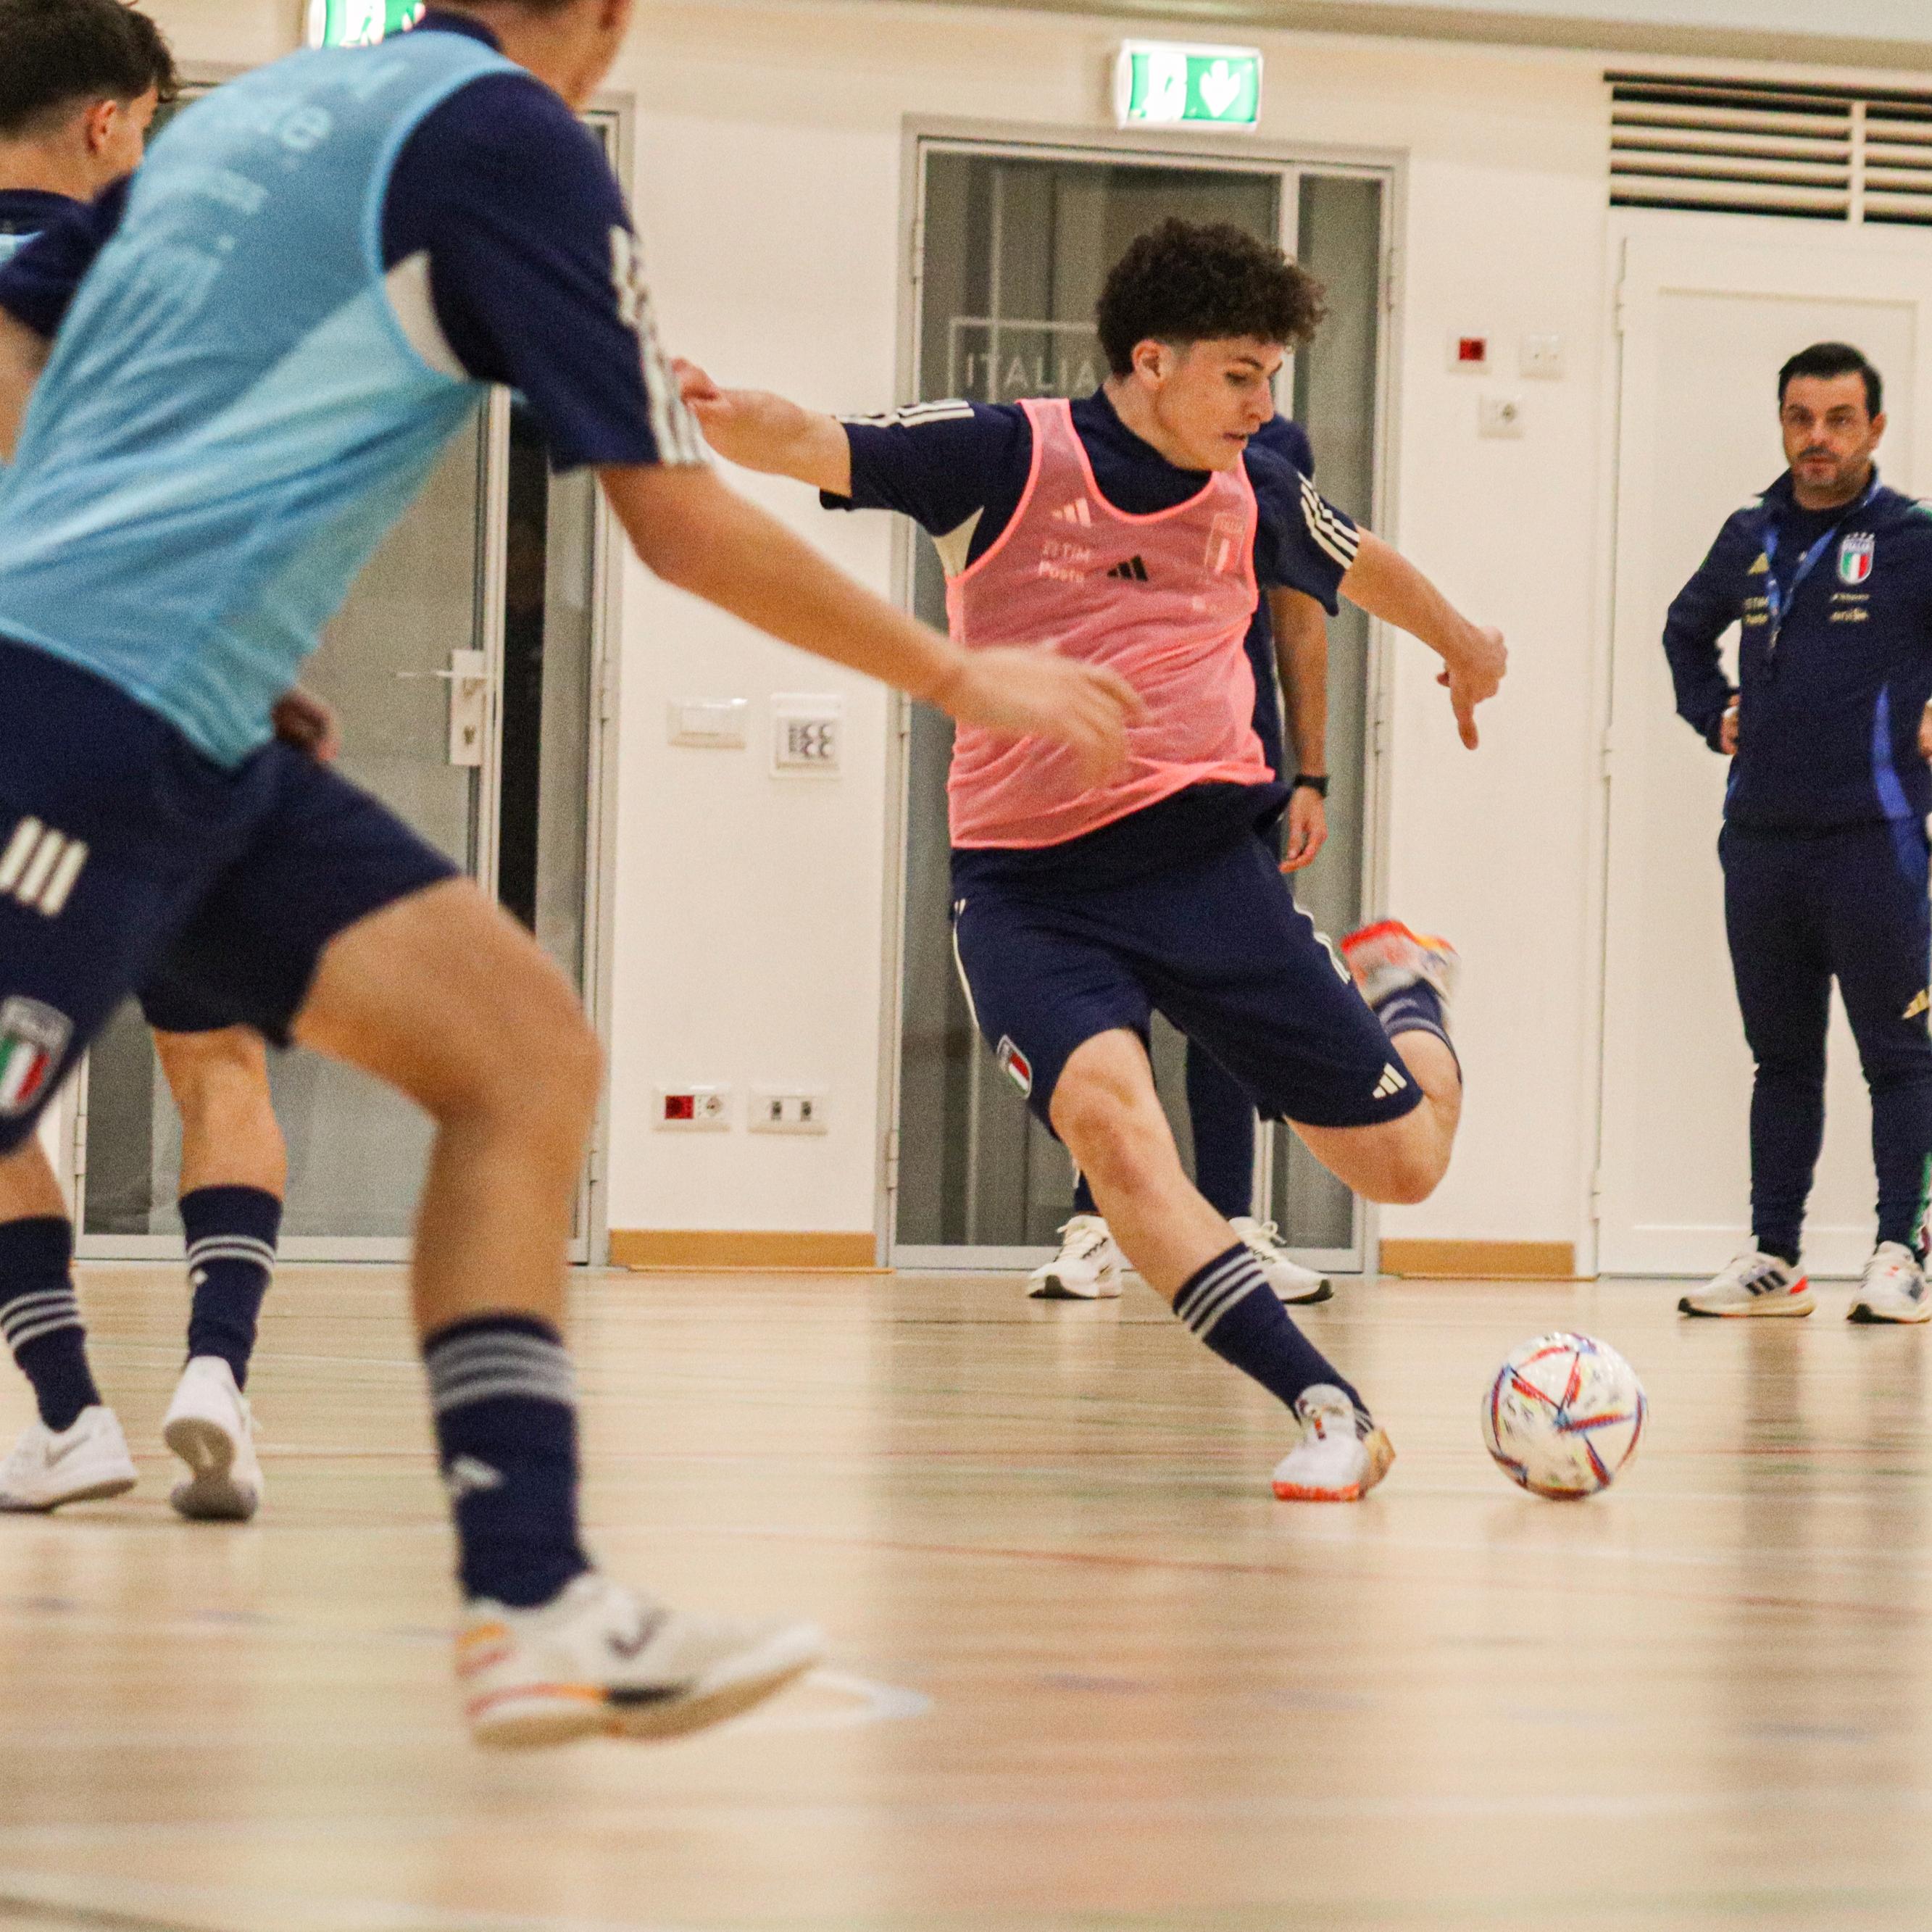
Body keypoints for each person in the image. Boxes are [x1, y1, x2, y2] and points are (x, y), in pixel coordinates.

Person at [0, 0, 1137, 1746]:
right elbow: (674, 521)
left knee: (520, 1051)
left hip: (200, 723)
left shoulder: (264, 111)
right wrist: (966, 676)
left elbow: (64, 377)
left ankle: (531, 1595)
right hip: (78, 702)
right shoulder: (512, 142)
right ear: (602, 22)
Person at [678, 218, 1507, 1503]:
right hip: (1030, 893)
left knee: (1408, 1167)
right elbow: (821, 439)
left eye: (1273, 376)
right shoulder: (1007, 456)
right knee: (1119, 1140)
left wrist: (1467, 641)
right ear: (1150, 360)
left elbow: (1364, 565)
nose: (1262, 403)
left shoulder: (1255, 490)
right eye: (1241, 374)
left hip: (1206, 876)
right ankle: (1328, 1406)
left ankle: (1407, 992)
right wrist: (715, 411)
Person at [0, 0, 294, 1525]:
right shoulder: (168, 281)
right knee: (221, 1062)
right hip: (178, 713)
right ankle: (216, 1379)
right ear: (115, 121)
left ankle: (64, 1414)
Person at [1030, 410, 1335, 1307]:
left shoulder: (1275, 453)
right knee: (1105, 997)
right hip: (1103, 767)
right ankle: (1098, 1223)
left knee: (1226, 995)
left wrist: (1308, 771)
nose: (1249, 385)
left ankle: (1234, 1225)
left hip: (1229, 767)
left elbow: (1298, 616)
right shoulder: (1074, 445)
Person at [1665, 341, 1932, 1323]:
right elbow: (1680, 630)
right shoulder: (1749, 532)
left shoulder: (1909, 536)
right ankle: (1773, 1256)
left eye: (1837, 419)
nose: (1815, 438)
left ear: (1874, 428)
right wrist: (1710, 710)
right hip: (1761, 841)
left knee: (1897, 1058)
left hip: (1876, 840)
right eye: (1798, 417)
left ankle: (1899, 1253)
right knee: (1779, 1058)